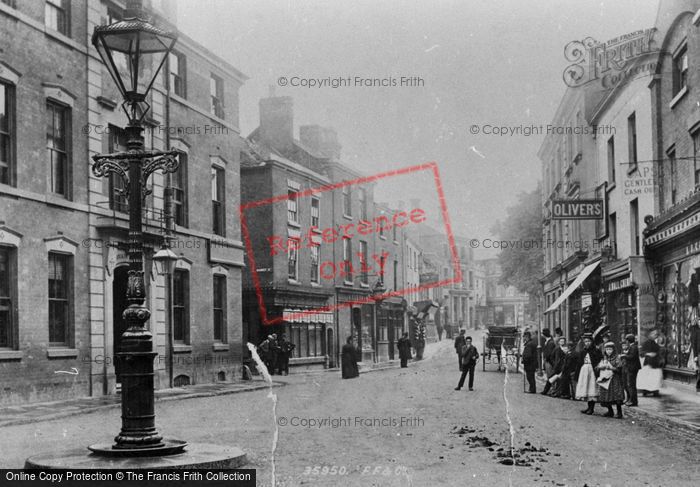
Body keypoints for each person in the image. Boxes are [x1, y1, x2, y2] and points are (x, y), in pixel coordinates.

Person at [596, 342, 626, 418]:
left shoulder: (617, 358)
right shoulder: (604, 358)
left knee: (616, 395)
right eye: (607, 349)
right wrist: (600, 367)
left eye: (610, 349)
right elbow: (597, 367)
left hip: (615, 379)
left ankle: (619, 412)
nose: (608, 351)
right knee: (606, 395)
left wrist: (611, 368)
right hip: (606, 379)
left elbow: (619, 368)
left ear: (613, 350)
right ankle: (610, 411)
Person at [575, 332, 602, 415]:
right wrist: (577, 373)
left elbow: (599, 360)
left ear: (592, 342)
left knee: (591, 388)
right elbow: (579, 362)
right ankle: (589, 407)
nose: (587, 343)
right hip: (584, 370)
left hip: (592, 370)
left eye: (589, 341)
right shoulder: (583, 351)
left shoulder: (596, 350)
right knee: (586, 387)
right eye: (586, 342)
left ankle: (591, 408)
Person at [637, 329, 663, 397]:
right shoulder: (645, 343)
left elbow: (659, 351)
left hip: (655, 363)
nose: (655, 336)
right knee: (648, 378)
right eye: (654, 334)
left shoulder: (656, 343)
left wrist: (657, 355)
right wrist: (648, 354)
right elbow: (641, 353)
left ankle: (655, 390)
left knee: (655, 377)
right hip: (648, 363)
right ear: (650, 335)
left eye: (656, 335)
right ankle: (646, 390)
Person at [620, 334, 640, 406]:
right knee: (628, 384)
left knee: (631, 385)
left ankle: (633, 401)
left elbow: (632, 357)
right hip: (629, 367)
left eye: (626, 340)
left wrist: (624, 355)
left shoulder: (633, 347)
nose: (626, 342)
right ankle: (629, 399)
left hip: (632, 368)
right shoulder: (632, 346)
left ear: (628, 340)